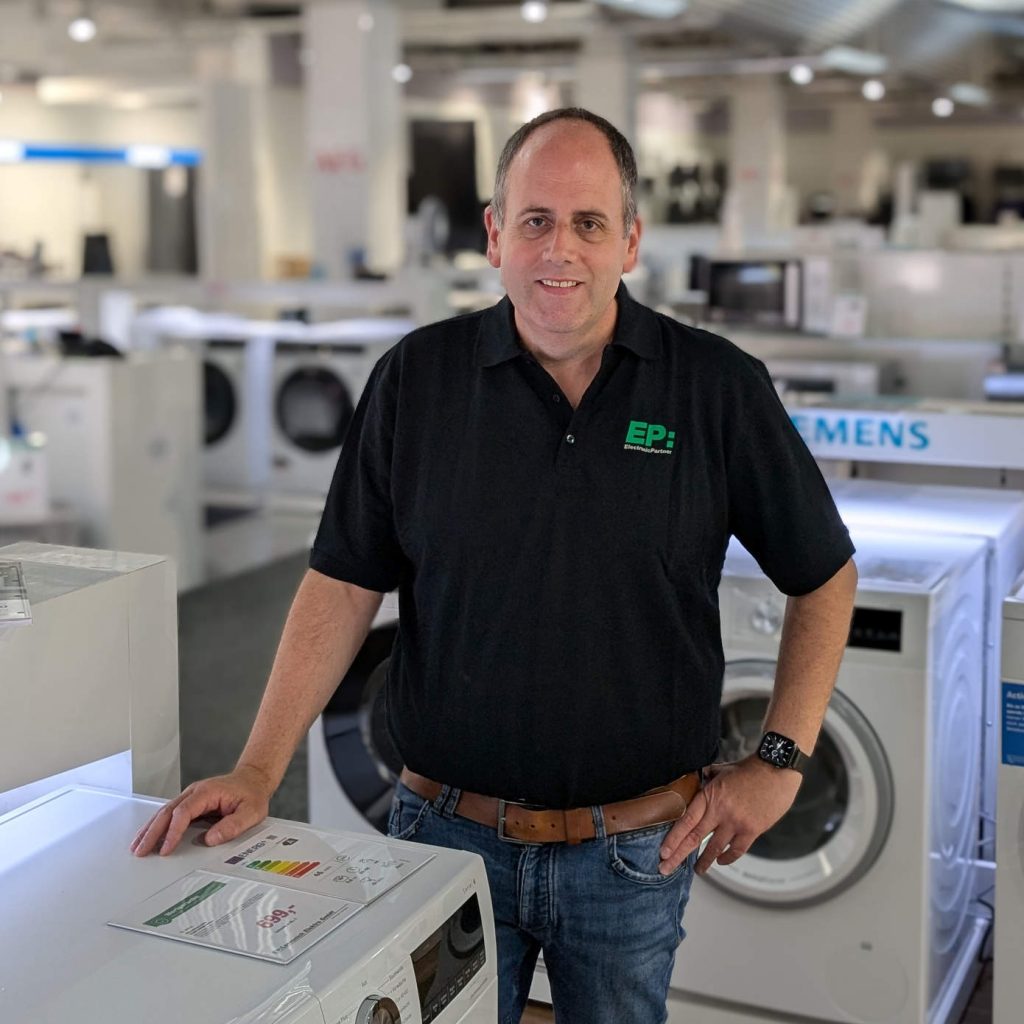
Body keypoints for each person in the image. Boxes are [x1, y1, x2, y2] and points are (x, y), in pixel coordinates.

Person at [133, 108, 857, 1024]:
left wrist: (781, 762)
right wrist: (257, 767)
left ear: (630, 241)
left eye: (590, 223)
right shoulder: (418, 379)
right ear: (495, 234)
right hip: (443, 835)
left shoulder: (715, 388)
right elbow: (344, 581)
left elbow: (824, 574)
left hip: (635, 850)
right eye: (537, 220)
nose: (561, 249)